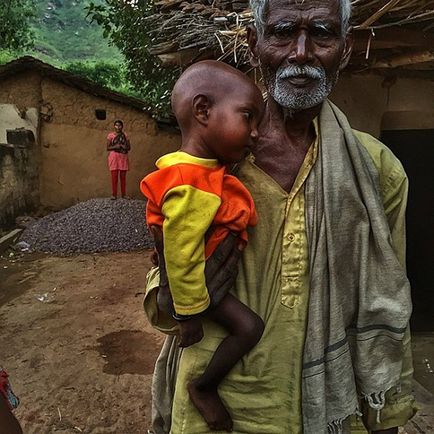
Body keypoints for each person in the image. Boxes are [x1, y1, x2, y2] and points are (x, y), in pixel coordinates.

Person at [144, 0, 416, 433]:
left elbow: (387, 297)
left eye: (322, 33)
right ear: (254, 43)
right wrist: (172, 295)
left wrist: (386, 414)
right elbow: (164, 269)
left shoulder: (376, 170)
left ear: (345, 49)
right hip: (219, 412)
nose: (302, 52)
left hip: (332, 406)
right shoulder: (212, 161)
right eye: (284, 31)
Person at [141, 61, 265, 432]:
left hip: (199, 279)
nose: (256, 133)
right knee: (250, 328)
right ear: (203, 111)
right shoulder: (192, 182)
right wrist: (189, 312)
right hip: (197, 289)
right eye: (248, 116)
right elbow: (180, 254)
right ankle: (204, 386)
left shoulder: (196, 171)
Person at [106, 119, 130, 199]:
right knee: (114, 176)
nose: (118, 127)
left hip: (123, 157)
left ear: (122, 126)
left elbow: (129, 147)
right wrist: (115, 146)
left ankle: (124, 194)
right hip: (114, 157)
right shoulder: (110, 135)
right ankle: (114, 194)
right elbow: (108, 147)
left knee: (123, 177)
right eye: (116, 125)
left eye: (119, 125)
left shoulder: (125, 135)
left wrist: (124, 146)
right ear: (114, 126)